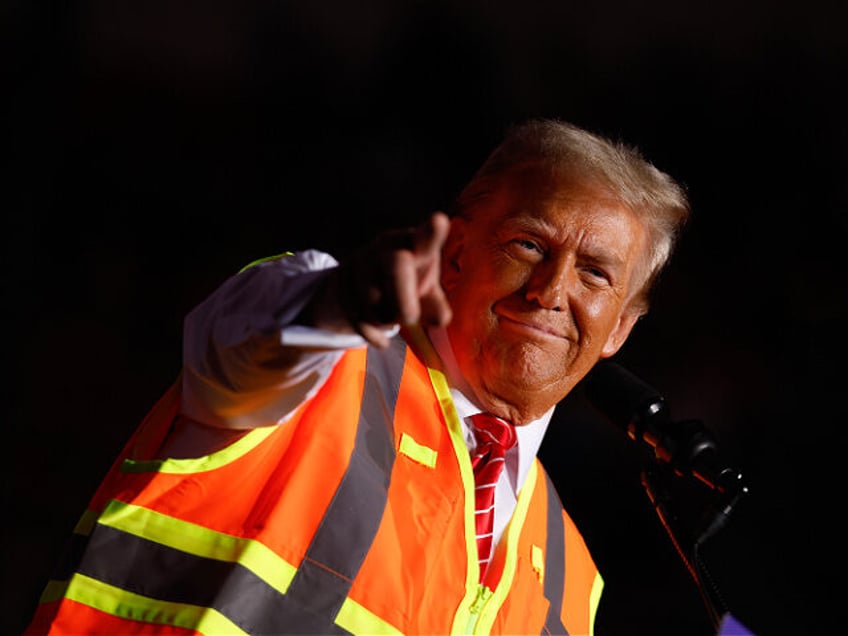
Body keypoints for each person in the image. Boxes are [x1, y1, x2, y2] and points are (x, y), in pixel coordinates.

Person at [26, 118, 689, 635]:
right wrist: (341, 300)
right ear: (454, 252)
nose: (549, 289)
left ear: (621, 329)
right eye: (528, 245)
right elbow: (250, 334)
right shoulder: (322, 364)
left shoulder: (572, 581)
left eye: (594, 273)